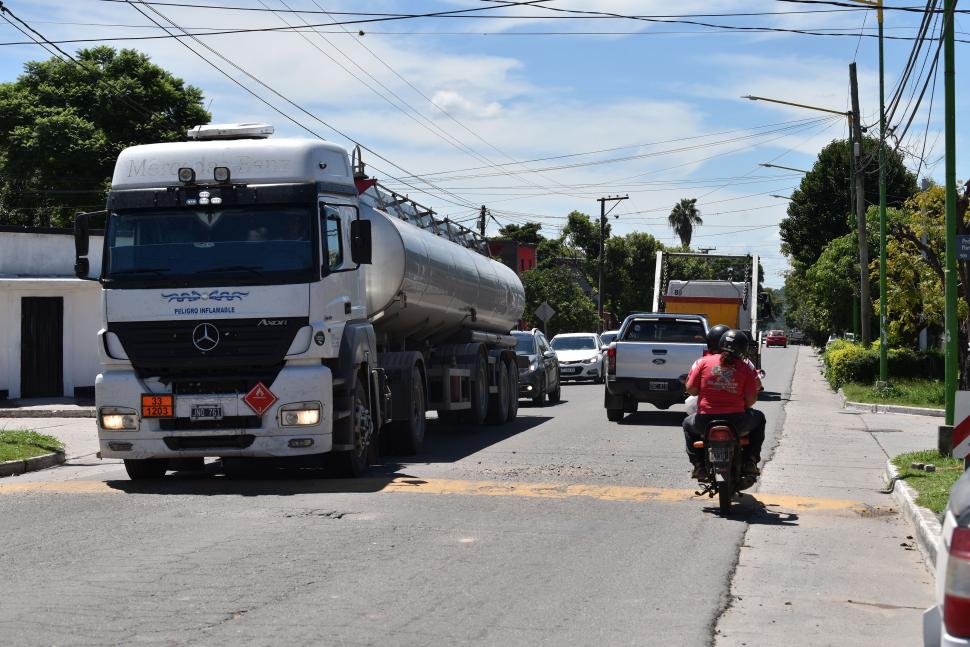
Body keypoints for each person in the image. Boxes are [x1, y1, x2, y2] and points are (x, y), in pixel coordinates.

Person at [682, 329, 766, 480]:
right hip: (737, 422)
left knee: (687, 424)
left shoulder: (703, 362)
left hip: (704, 422)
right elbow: (751, 401)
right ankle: (750, 461)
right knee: (759, 418)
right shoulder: (745, 368)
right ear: (743, 349)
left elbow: (691, 390)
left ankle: (699, 465)